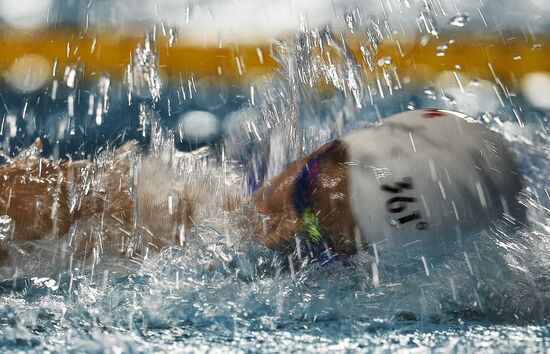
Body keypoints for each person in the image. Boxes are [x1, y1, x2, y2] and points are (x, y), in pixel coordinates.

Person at [0, 109, 526, 270]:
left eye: (321, 241)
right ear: (318, 151)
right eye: (303, 194)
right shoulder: (158, 206)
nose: (281, 230)